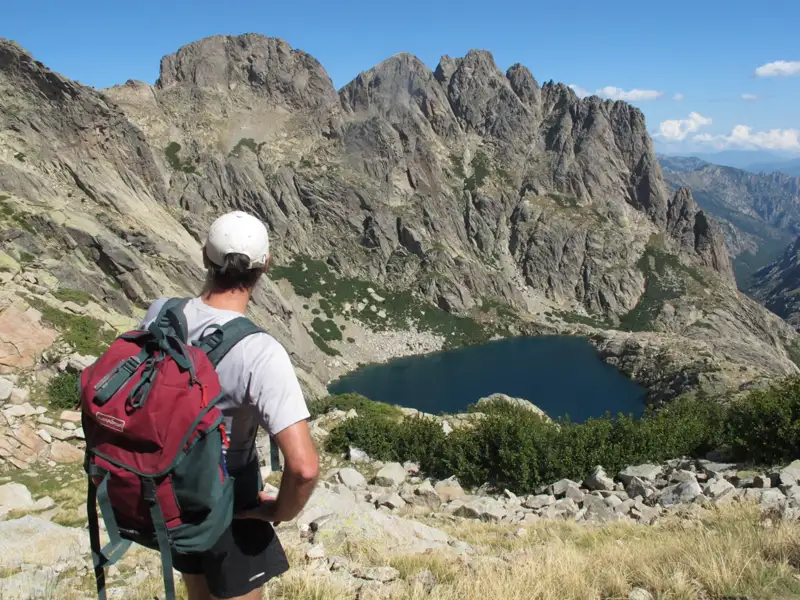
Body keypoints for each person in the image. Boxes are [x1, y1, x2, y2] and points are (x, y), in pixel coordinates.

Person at [138, 210, 319, 600]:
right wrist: (278, 513)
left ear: (206, 256)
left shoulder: (160, 314)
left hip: (169, 486)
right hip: (227, 497)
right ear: (265, 266)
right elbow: (304, 468)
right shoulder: (259, 352)